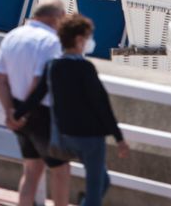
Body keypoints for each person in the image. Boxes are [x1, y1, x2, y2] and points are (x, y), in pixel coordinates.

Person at [14, 14, 129, 206]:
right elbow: (102, 104)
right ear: (78, 40)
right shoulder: (86, 68)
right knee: (95, 188)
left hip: (64, 136)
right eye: (87, 38)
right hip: (90, 138)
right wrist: (119, 138)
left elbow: (35, 96)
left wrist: (16, 115)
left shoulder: (52, 66)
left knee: (104, 180)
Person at [0, 0, 69, 206]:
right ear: (57, 18)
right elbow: (38, 83)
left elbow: (0, 80)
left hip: (17, 110)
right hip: (41, 114)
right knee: (61, 171)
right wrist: (24, 111)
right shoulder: (51, 42)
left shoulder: (13, 36)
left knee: (31, 171)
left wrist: (11, 111)